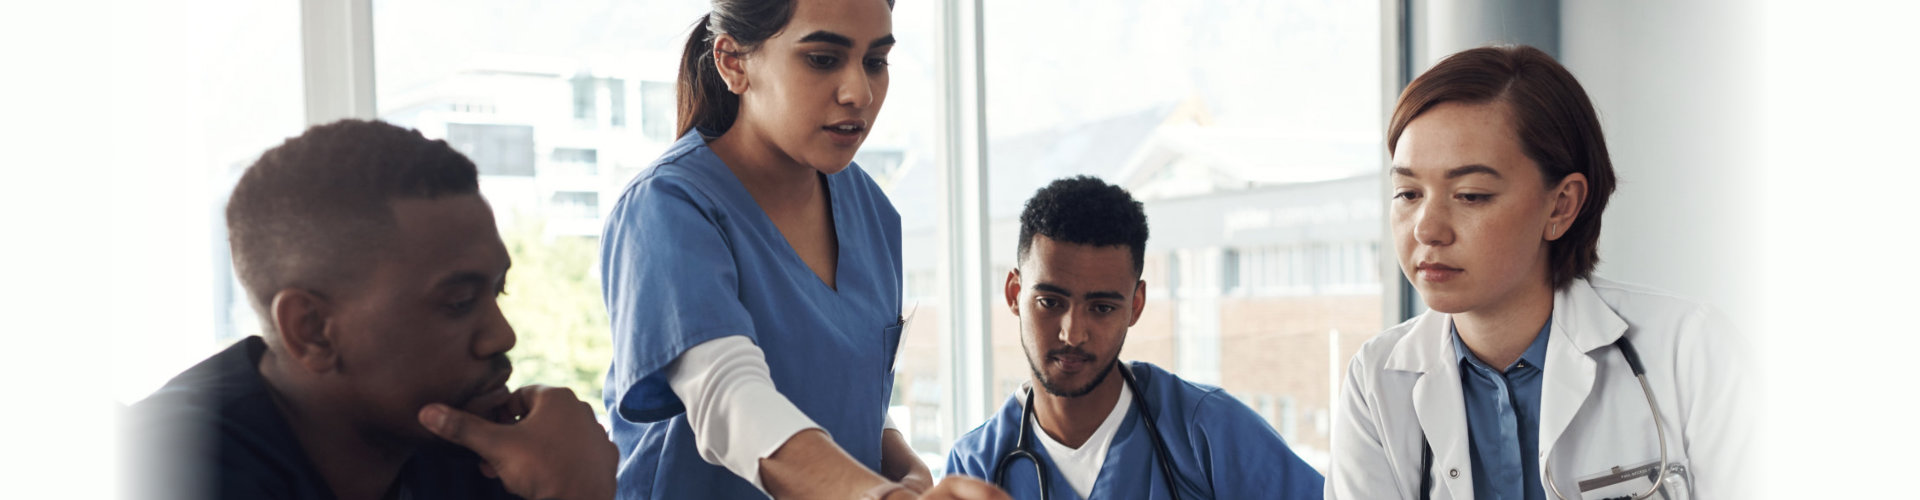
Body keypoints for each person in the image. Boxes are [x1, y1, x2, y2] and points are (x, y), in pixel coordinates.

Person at [597, 0, 1007, 499]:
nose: (860, 92)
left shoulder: (873, 213)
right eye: (823, 59)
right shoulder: (669, 208)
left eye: (875, 61)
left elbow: (841, 390)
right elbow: (728, 399)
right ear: (733, 62)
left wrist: (905, 466)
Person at [1325, 45, 1755, 499]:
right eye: (1408, 193)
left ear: (1562, 204)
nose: (1428, 229)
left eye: (1470, 195)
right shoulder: (1377, 381)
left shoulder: (1690, 353)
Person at [126, 119, 618, 500]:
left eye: (498, 292)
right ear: (312, 331)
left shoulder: (467, 447)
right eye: (460, 302)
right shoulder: (166, 471)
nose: (501, 336)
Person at [944, 176, 1325, 500]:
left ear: (1136, 305)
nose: (1072, 333)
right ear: (1014, 294)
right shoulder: (975, 467)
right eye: (1050, 302)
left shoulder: (1207, 431)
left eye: (1102, 308)